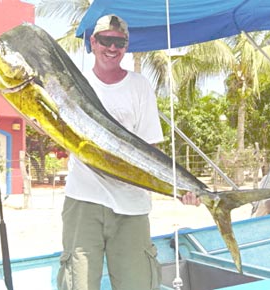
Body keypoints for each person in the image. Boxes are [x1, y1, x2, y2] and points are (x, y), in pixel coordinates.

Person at [57, 14, 201, 290]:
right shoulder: (74, 86)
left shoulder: (139, 85)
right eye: (106, 40)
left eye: (120, 42)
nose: (112, 48)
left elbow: (150, 151)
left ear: (126, 45)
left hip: (132, 206)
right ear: (93, 42)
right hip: (83, 201)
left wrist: (179, 187)